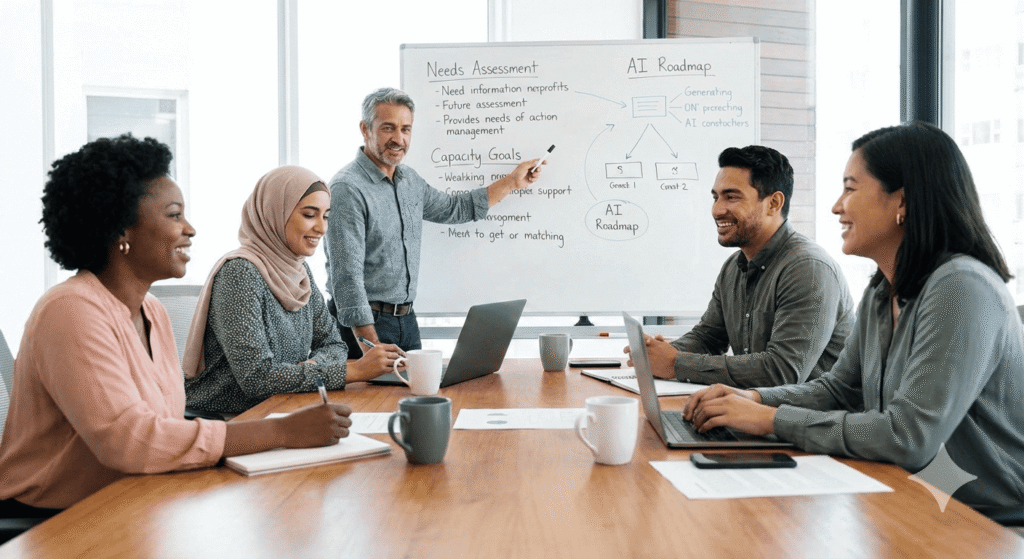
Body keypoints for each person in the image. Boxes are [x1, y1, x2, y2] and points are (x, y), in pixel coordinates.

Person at [0, 135, 351, 515]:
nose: (190, 229)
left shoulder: (152, 311)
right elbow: (129, 441)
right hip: (59, 519)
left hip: (139, 497)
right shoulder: (69, 310)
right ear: (121, 229)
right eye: (173, 215)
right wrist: (281, 432)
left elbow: (162, 425)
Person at [684, 122, 1024, 509]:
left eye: (850, 188)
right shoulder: (883, 291)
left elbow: (908, 436)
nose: (836, 206)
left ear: (903, 201)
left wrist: (768, 420)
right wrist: (755, 398)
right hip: (907, 494)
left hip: (985, 521)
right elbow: (839, 391)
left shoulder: (961, 288)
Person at [325, 87, 545, 358]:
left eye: (406, 129)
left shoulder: (409, 181)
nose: (399, 138)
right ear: (365, 129)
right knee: (373, 402)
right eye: (388, 128)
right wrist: (371, 348)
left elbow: (456, 208)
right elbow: (346, 279)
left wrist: (512, 182)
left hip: (406, 321)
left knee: (417, 397)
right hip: (364, 327)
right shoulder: (347, 188)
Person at [626, 145, 854, 388]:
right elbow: (708, 337)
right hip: (757, 411)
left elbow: (782, 371)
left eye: (731, 196)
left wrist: (675, 364)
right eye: (716, 197)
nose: (716, 210)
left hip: (808, 420)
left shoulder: (808, 268)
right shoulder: (734, 267)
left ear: (773, 203)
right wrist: (660, 353)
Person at [182, 166, 403, 415]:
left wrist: (307, 369)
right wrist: (353, 371)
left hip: (282, 405)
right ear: (275, 213)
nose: (322, 228)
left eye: (326, 216)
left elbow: (334, 344)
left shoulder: (298, 270)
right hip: (227, 419)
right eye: (310, 215)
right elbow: (257, 378)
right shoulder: (240, 273)